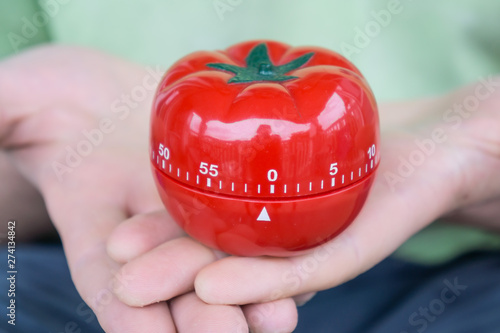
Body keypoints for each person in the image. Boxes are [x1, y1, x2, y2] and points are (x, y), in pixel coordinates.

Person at [1, 1, 500, 332]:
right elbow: (9, 221)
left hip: (452, 277)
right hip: (81, 270)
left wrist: (475, 162)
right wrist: (45, 156)